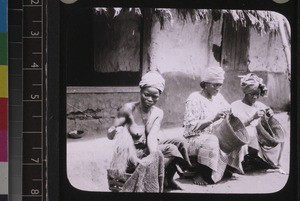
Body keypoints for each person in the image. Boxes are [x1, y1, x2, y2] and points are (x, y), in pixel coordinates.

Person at [107, 70, 190, 191]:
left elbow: (151, 137)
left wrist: (153, 157)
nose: (150, 99)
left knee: (178, 143)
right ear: (140, 91)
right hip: (131, 156)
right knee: (170, 150)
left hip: (145, 151)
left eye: (155, 96)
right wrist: (113, 130)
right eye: (146, 94)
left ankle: (168, 179)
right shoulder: (128, 109)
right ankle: (149, 173)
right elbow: (110, 135)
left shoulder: (157, 113)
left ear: (159, 96)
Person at [183, 66, 245, 185]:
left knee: (236, 138)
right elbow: (190, 127)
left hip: (215, 135)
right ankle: (202, 174)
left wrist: (231, 113)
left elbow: (230, 109)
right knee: (212, 140)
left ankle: (225, 168)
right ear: (205, 84)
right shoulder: (194, 98)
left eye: (220, 85)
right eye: (215, 85)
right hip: (194, 138)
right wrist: (213, 119)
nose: (218, 88)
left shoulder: (218, 97)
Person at [230, 73, 285, 173]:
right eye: (252, 94)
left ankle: (266, 161)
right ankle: (246, 162)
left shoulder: (260, 105)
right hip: (242, 137)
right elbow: (233, 127)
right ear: (246, 92)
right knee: (250, 133)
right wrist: (252, 118)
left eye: (258, 94)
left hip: (260, 139)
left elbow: (268, 124)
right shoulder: (236, 106)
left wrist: (270, 115)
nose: (255, 97)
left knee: (279, 137)